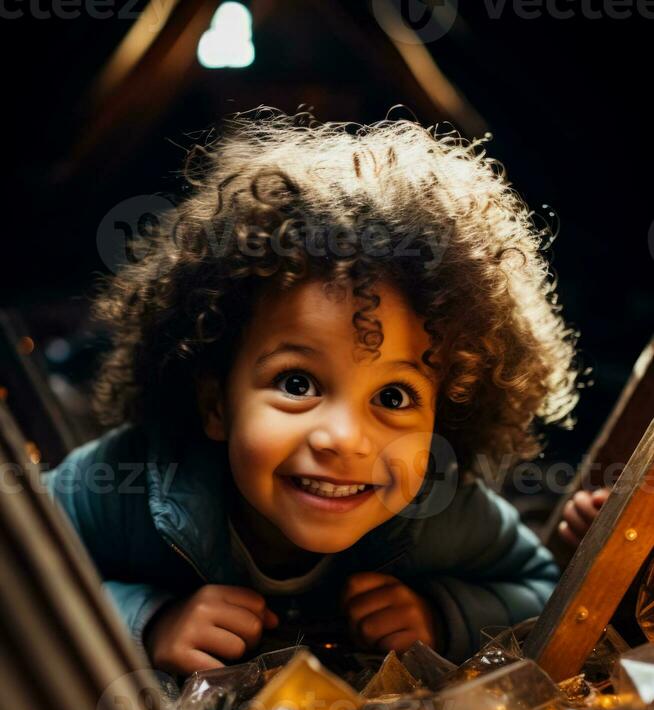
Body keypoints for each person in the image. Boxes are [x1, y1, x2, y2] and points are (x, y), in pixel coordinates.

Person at [41, 106, 601, 676]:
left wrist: (439, 615)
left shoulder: (438, 507)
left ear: (446, 410)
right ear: (215, 402)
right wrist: (145, 621)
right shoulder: (134, 480)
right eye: (297, 383)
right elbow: (18, 568)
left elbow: (542, 588)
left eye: (393, 397)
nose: (344, 439)